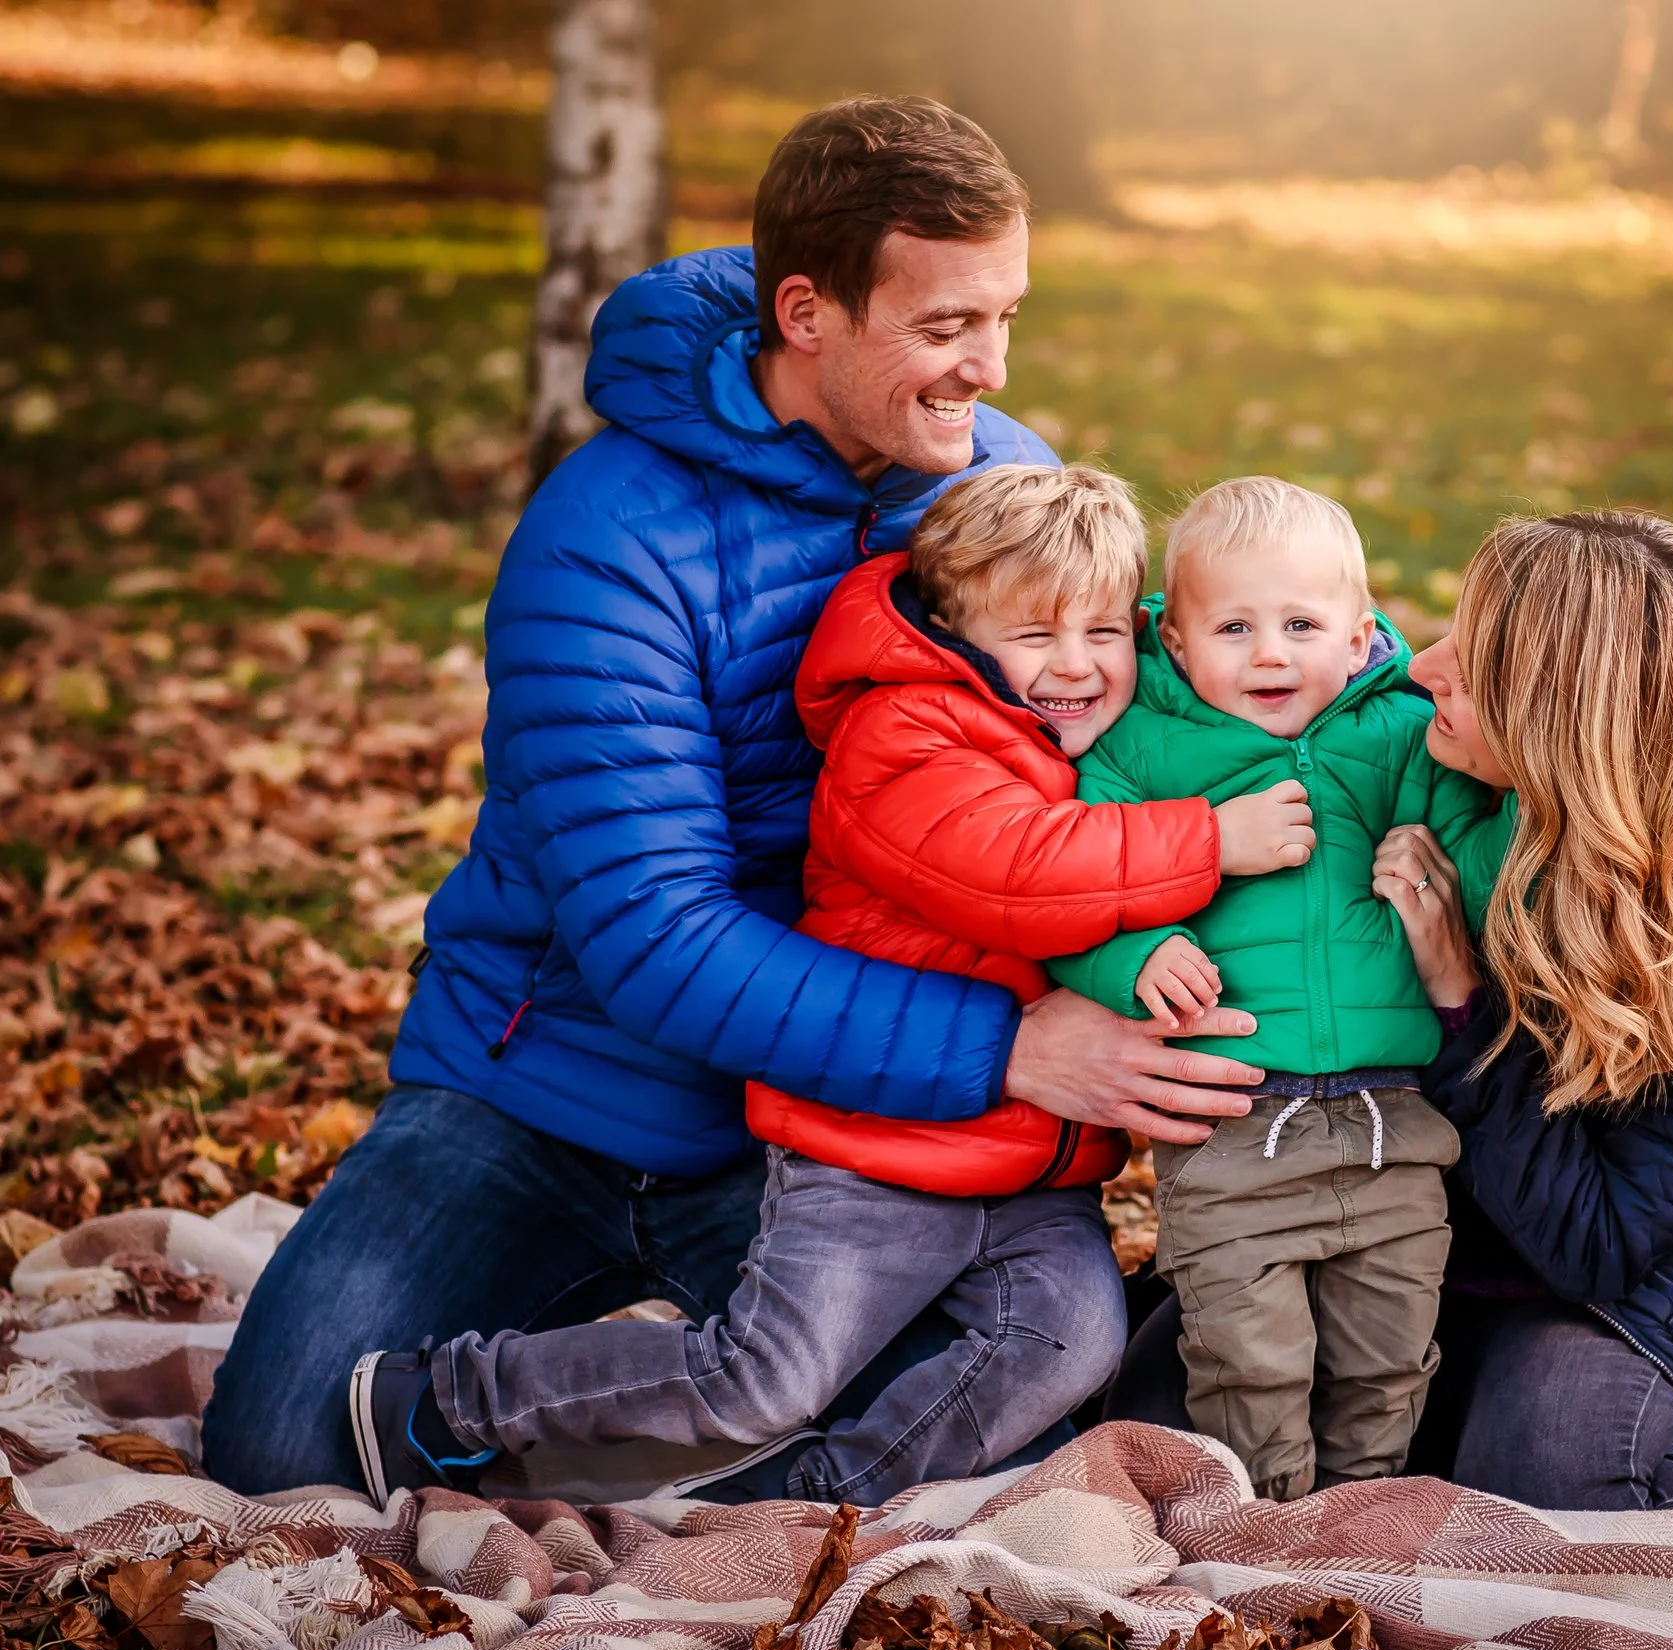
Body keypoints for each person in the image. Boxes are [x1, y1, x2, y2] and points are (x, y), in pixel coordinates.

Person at [203, 97, 1268, 1498]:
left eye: (1004, 318)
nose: (989, 367)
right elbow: (652, 933)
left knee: (1018, 1419)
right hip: (553, 1091)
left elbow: (1144, 734)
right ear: (808, 312)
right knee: (283, 1451)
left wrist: (1359, 699)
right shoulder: (606, 536)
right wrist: (1010, 1045)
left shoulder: (995, 488)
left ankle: (713, 1489)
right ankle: (628, 1419)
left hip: (842, 1121)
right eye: (946, 326)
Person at [346, 465, 1320, 1507]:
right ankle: (449, 1401)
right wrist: (1211, 838)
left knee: (1070, 1336)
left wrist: (1346, 662)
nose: (1075, 666)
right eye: (1035, 636)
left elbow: (1247, 659)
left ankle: (824, 1503)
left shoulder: (1087, 732)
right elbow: (1017, 867)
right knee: (762, 1374)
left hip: (1033, 1168)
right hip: (876, 1148)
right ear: (952, 629)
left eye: (1103, 633)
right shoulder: (903, 736)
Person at [1112, 508, 1673, 1511]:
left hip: (1604, 1273)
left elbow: (1597, 1241)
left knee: (1557, 1477)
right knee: (1159, 1429)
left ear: (1567, 725)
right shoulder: (1405, 768)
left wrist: (1456, 993)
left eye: (1481, 658)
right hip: (1384, 1210)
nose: (1423, 665)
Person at [1047, 478, 1512, 1501]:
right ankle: (1266, 1540)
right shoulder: (1143, 748)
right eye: (1235, 625)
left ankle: (1356, 1524)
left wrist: (1535, 806)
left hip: (1394, 1123)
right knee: (1249, 1363)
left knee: (1387, 1356)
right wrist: (1130, 961)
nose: (1269, 652)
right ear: (1177, 644)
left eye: (1301, 623)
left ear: (1358, 640)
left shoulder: (1395, 735)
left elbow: (1479, 865)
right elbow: (1071, 891)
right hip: (1232, 1134)